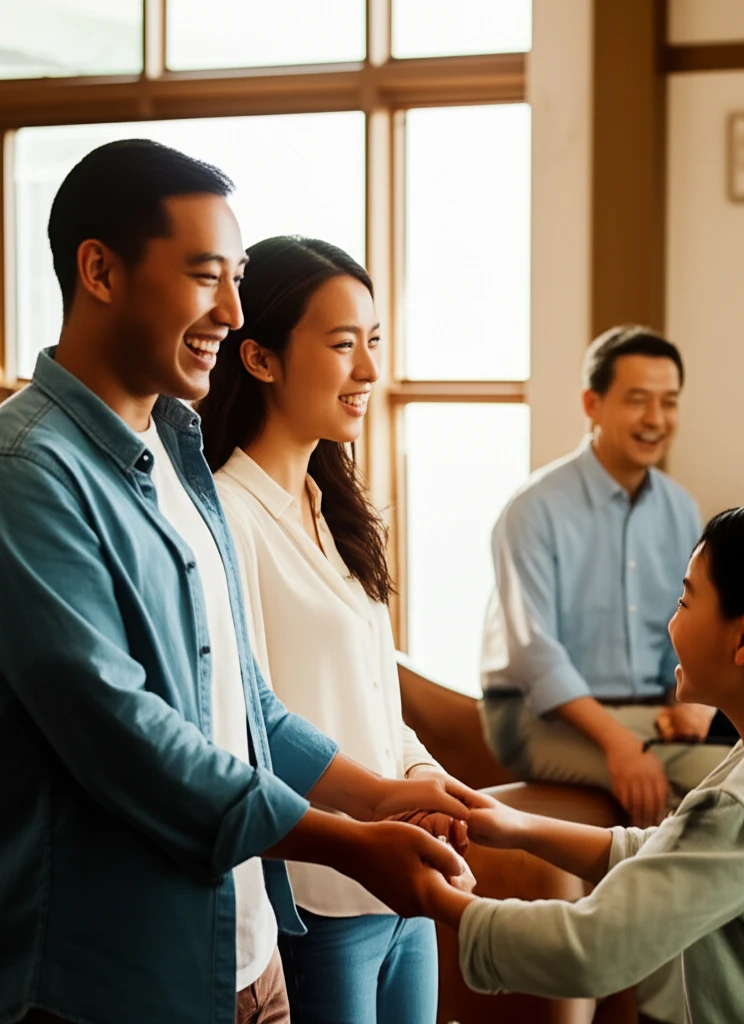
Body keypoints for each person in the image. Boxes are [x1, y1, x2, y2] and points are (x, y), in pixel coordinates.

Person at [0, 140, 475, 1024]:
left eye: (240, 276)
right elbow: (127, 737)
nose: (233, 309)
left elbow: (244, 704)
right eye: (206, 275)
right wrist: (348, 841)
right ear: (99, 270)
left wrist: (380, 795)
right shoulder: (27, 472)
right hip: (117, 979)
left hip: (247, 954)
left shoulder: (177, 458)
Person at [426, 505, 744, 1024]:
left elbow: (594, 950)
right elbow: (678, 850)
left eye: (685, 601)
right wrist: (520, 828)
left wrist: (439, 901)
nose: (671, 622)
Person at [197, 235, 465, 1024]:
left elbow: (374, 691)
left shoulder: (332, 508)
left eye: (374, 342)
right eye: (343, 344)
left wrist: (420, 778)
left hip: (400, 890)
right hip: (317, 902)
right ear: (260, 359)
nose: (370, 372)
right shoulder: (226, 517)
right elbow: (254, 722)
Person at [480, 325, 734, 832]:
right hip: (538, 717)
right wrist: (621, 744)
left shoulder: (680, 508)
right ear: (592, 404)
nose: (655, 420)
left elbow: (687, 624)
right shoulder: (534, 509)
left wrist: (690, 706)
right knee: (725, 786)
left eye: (669, 402)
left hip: (646, 714)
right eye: (637, 401)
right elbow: (535, 654)